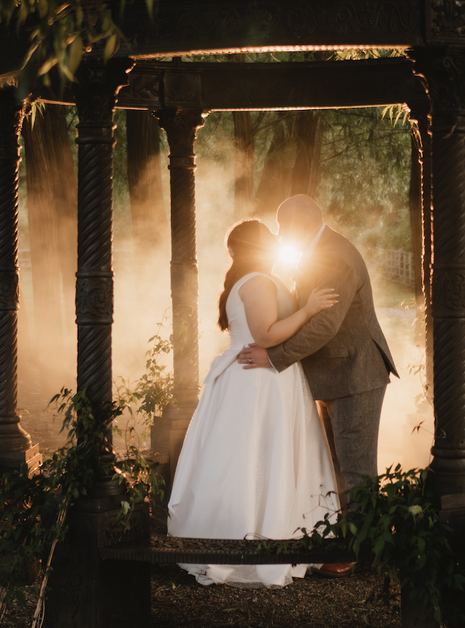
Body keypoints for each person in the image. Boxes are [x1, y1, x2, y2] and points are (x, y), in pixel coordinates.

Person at [165, 219, 343, 587]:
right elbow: (265, 334)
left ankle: (275, 531)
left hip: (262, 376)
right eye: (272, 238)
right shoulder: (258, 281)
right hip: (262, 381)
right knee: (260, 454)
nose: (279, 242)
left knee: (254, 455)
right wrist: (308, 309)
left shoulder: (248, 280)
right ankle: (256, 534)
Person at [235, 195, 398, 541]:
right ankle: (346, 543)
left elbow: (325, 326)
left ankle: (363, 552)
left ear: (300, 225)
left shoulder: (335, 257)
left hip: (355, 375)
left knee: (356, 470)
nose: (279, 235)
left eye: (282, 227)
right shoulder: (315, 252)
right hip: (332, 376)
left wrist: (275, 357)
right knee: (338, 466)